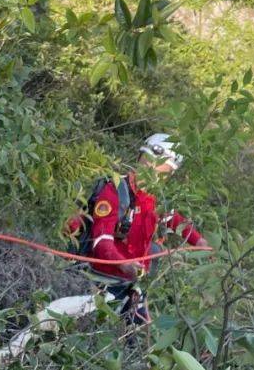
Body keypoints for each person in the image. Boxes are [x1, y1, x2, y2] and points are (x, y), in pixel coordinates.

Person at [68, 133, 208, 325]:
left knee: (141, 330)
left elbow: (172, 219)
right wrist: (124, 264)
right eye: (150, 164)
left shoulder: (155, 196)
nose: (155, 173)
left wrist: (198, 240)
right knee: (100, 327)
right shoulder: (116, 191)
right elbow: (102, 242)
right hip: (103, 279)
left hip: (133, 282)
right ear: (142, 160)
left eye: (164, 171)